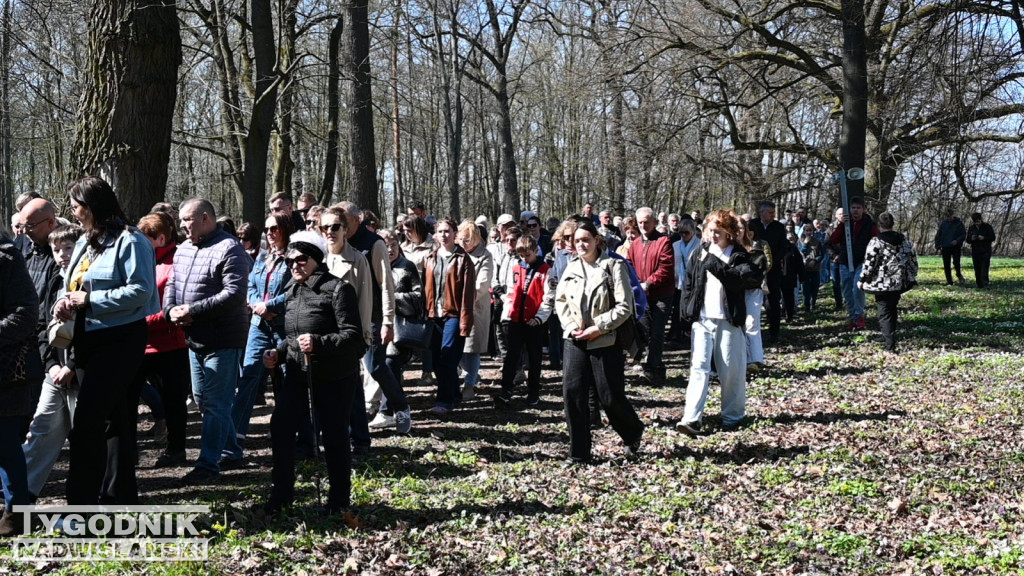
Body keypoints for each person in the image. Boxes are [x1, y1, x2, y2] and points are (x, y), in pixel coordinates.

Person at [52, 177, 158, 505]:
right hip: (87, 339)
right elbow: (76, 282)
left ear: (93, 205)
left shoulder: (132, 240)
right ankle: (119, 497)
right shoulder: (87, 239)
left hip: (120, 339)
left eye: (76, 206)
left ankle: (80, 508)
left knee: (86, 422)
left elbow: (141, 291)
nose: (72, 211)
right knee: (115, 420)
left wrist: (90, 302)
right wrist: (65, 301)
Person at [260, 231, 366, 515]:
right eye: (289, 261)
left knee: (333, 436)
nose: (294, 265)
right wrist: (279, 353)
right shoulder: (293, 291)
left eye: (301, 260)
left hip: (335, 376)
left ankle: (339, 501)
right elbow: (294, 337)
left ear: (316, 261)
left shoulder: (338, 289)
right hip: (297, 374)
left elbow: (355, 338)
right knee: (281, 427)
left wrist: (319, 343)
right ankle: (281, 496)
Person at [164, 198, 249, 484]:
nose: (182, 225)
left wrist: (194, 311)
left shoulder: (230, 248)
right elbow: (173, 285)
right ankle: (232, 450)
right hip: (194, 337)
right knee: (202, 399)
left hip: (223, 337)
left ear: (205, 218)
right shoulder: (184, 249)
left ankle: (208, 464)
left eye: (187, 219)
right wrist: (170, 310)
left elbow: (235, 293)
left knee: (215, 402)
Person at [555, 220, 644, 463]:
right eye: (577, 241)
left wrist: (598, 328)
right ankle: (579, 454)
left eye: (586, 240)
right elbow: (560, 301)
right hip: (574, 340)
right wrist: (572, 327)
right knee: (573, 395)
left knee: (609, 397)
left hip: (605, 340)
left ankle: (632, 432)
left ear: (597, 241)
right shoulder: (571, 267)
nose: (581, 245)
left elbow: (625, 306)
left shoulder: (613, 265)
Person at [677, 210, 762, 436]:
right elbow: (689, 285)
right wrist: (687, 316)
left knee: (730, 371)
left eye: (718, 231)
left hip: (729, 320)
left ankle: (733, 416)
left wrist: (713, 261)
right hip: (702, 320)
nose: (713, 236)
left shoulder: (739, 255)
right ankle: (691, 418)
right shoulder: (698, 254)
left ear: (730, 233)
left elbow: (738, 280)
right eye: (709, 231)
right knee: (699, 368)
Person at [226, 212, 293, 463]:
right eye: (267, 229)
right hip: (258, 323)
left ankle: (291, 433)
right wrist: (256, 304)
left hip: (284, 324)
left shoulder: (295, 255)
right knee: (249, 376)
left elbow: (296, 289)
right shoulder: (264, 256)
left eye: (275, 228)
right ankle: (234, 438)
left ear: (286, 228)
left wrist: (271, 305)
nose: (270, 233)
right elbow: (251, 284)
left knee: (287, 378)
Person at [135, 213, 191, 469]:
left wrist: (138, 321)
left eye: (146, 240)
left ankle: (176, 449)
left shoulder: (176, 262)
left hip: (170, 344)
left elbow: (174, 307)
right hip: (139, 345)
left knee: (174, 401)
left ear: (160, 238)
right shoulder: (140, 259)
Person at [0, 228, 42, 536]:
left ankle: (17, 513)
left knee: (5, 443)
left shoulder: (7, 258)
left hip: (5, 369)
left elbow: (26, 314)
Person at [423, 218, 476, 414]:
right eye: (440, 231)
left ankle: (444, 401)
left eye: (448, 231)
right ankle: (454, 393)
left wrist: (465, 322)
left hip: (454, 314)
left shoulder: (464, 259)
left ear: (455, 234)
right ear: (435, 235)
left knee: (447, 357)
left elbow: (468, 295)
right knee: (437, 360)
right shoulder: (430, 258)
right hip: (433, 315)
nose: (444, 235)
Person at [495, 235, 553, 407]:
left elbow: (549, 297)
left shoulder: (545, 270)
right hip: (516, 320)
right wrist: (506, 318)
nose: (525, 259)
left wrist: (540, 317)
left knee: (534, 358)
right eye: (521, 256)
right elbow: (512, 295)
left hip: (534, 321)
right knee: (511, 357)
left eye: (528, 255)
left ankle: (533, 392)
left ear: (536, 251)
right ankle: (506, 391)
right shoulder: (516, 268)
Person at [627, 207, 674, 386]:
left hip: (661, 294)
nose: (643, 225)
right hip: (642, 295)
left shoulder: (663, 242)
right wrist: (635, 284)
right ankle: (649, 363)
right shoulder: (636, 244)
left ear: (654, 221)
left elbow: (666, 267)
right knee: (643, 330)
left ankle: (653, 369)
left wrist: (649, 282)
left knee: (657, 331)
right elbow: (629, 265)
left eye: (647, 221)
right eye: (640, 222)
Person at [380, 228, 422, 429]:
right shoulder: (374, 267)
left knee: (390, 365)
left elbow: (418, 297)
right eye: (385, 246)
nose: (390, 250)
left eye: (393, 246)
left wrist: (390, 299)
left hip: (399, 328)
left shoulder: (407, 267)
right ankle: (388, 408)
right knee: (378, 367)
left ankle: (390, 410)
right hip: (376, 326)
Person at [858, 212, 918, 353]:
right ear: (892, 224)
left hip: (882, 284)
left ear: (879, 225)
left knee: (884, 312)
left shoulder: (876, 242)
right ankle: (888, 336)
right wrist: (911, 276)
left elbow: (869, 264)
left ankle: (890, 344)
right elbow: (913, 262)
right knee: (892, 309)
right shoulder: (905, 241)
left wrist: (862, 280)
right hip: (899, 283)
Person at [456, 220, 493, 401]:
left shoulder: (485, 256)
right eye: (461, 239)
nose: (464, 243)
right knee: (455, 347)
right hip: (453, 308)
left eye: (468, 240)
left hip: (474, 308)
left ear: (476, 239)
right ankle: (462, 378)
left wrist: (464, 299)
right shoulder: (454, 253)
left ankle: (469, 384)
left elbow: (483, 285)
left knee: (471, 348)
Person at [829, 197, 878, 330]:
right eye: (853, 208)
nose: (855, 211)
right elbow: (833, 239)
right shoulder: (846, 223)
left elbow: (877, 241)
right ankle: (852, 318)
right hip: (845, 262)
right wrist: (841, 225)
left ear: (863, 209)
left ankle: (859, 316)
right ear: (849, 210)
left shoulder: (869, 224)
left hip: (862, 261)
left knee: (858, 288)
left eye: (858, 208)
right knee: (847, 290)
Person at [749, 201, 787, 344]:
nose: (773, 215)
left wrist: (772, 261)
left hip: (773, 270)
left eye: (774, 212)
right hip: (753, 271)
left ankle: (774, 332)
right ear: (762, 212)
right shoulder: (752, 225)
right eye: (770, 212)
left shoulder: (778, 227)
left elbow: (783, 246)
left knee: (773, 301)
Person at [736, 218, 770, 373]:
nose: (738, 232)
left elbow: (764, 267)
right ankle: (739, 357)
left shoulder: (755, 249)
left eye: (741, 228)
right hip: (735, 290)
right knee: (737, 324)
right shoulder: (728, 249)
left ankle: (755, 359)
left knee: (752, 322)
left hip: (753, 289)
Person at [668, 219, 700, 345]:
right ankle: (676, 334)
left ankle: (689, 333)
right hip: (678, 282)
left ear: (693, 231)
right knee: (677, 309)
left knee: (691, 309)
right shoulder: (675, 245)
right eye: (681, 232)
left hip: (693, 282)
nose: (684, 235)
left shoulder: (700, 245)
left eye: (686, 232)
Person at [934, 208, 967, 286]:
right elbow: (938, 235)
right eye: (947, 217)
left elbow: (963, 235)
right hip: (945, 246)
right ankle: (949, 281)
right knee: (946, 265)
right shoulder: (943, 224)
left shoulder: (959, 223)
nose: (949, 218)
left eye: (950, 216)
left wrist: (957, 240)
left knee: (956, 262)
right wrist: (938, 245)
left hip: (956, 246)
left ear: (953, 215)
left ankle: (958, 274)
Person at [966, 212, 995, 288]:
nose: (977, 223)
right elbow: (967, 239)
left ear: (981, 219)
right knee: (977, 268)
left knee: (984, 268)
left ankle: (985, 284)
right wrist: (971, 238)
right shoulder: (972, 228)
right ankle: (979, 284)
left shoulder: (987, 227)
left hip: (985, 250)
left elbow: (993, 237)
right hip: (975, 250)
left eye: (978, 221)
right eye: (975, 222)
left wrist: (984, 238)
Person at [798, 229, 824, 316]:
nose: (809, 233)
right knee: (806, 289)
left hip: (815, 268)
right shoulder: (800, 241)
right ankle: (807, 306)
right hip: (805, 268)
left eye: (810, 231)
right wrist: (805, 244)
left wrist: (815, 261)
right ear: (804, 232)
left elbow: (821, 254)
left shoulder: (817, 241)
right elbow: (801, 253)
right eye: (807, 231)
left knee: (815, 288)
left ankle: (813, 304)